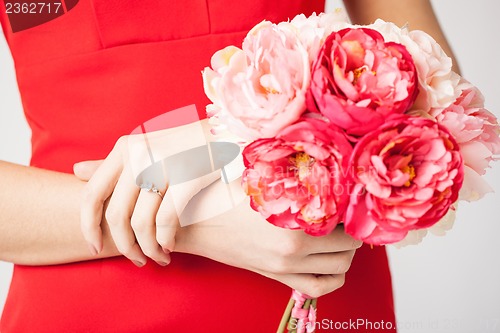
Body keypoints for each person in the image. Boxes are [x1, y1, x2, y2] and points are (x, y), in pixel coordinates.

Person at [0, 0, 458, 331]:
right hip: (83, 310)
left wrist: (210, 140)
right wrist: (195, 220)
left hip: (312, 298)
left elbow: (440, 99)